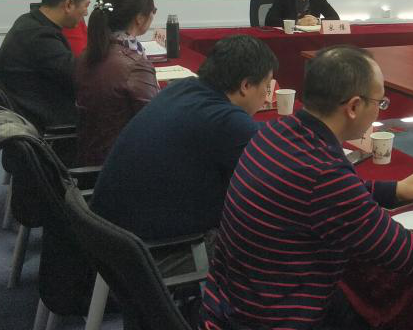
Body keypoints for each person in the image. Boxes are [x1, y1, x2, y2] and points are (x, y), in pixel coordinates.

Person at [201, 45, 413, 330]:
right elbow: (408, 253)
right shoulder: (324, 174)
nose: (380, 110)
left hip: (230, 302)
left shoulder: (276, 131)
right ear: (354, 107)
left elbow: (323, 196)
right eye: (380, 102)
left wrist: (393, 190)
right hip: (271, 319)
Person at [90, 35, 277, 249]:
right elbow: (271, 185)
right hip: (153, 250)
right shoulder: (227, 121)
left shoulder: (181, 88)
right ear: (246, 85)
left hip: (106, 233)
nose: (266, 97)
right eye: (266, 87)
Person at [74, 0, 159, 166]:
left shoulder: (87, 54)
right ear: (139, 18)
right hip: (124, 161)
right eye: (153, 11)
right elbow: (156, 120)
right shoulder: (134, 65)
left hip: (92, 153)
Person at [0, 0, 92, 130]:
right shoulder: (40, 37)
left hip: (34, 108)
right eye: (86, 5)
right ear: (69, 5)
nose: (86, 12)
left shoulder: (30, 21)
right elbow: (80, 77)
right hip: (49, 122)